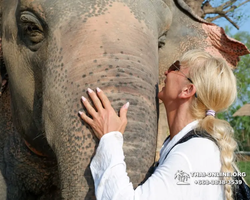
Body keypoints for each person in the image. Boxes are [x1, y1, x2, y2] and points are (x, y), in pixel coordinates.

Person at [79, 49, 238, 200]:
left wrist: (109, 139)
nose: (166, 72)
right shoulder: (195, 147)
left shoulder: (193, 152)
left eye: (174, 67)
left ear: (187, 90)